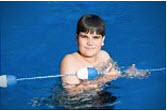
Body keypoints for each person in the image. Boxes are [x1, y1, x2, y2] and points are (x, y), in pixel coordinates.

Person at [60, 14, 121, 94]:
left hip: (103, 96)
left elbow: (115, 73)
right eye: (84, 37)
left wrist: (131, 73)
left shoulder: (104, 56)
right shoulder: (70, 61)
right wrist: (103, 80)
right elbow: (72, 94)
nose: (90, 43)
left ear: (103, 40)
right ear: (77, 39)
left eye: (95, 37)